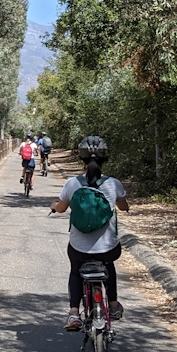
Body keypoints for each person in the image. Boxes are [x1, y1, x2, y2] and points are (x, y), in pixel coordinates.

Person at [51, 135, 129, 331]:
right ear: (105, 159)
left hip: (79, 248)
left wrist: (54, 205)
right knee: (108, 265)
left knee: (75, 271)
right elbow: (123, 206)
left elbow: (60, 209)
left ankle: (73, 313)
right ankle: (112, 305)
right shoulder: (113, 184)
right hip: (108, 248)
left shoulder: (72, 184)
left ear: (81, 159)